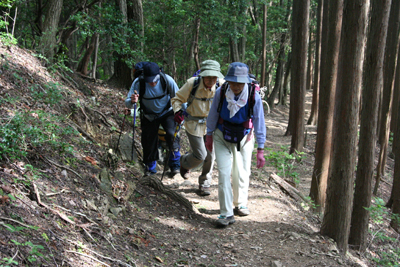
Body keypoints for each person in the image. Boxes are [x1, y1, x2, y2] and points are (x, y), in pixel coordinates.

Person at [206, 62, 266, 227]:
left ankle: (240, 203)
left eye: (240, 82)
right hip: (221, 135)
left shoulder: (254, 95)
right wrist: (209, 135)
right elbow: (213, 114)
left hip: (244, 136)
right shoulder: (221, 91)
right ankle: (226, 213)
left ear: (246, 82)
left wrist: (261, 148)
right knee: (224, 174)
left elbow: (259, 121)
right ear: (228, 81)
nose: (236, 86)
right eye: (233, 82)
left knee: (241, 172)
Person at [171, 60, 224, 196]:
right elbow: (176, 99)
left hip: (212, 125)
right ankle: (184, 163)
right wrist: (177, 112)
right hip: (193, 124)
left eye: (214, 77)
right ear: (202, 76)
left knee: (211, 156)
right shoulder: (192, 83)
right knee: (200, 155)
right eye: (208, 77)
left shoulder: (221, 85)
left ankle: (204, 183)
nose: (211, 80)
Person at [125, 62, 181, 176]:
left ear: (159, 74)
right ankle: (150, 169)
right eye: (149, 79)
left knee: (171, 134)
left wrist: (182, 113)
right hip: (148, 115)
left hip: (167, 112)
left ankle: (175, 165)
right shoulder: (138, 82)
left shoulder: (167, 80)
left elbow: (179, 98)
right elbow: (127, 103)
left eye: (154, 79)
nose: (152, 82)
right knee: (149, 140)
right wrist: (132, 101)